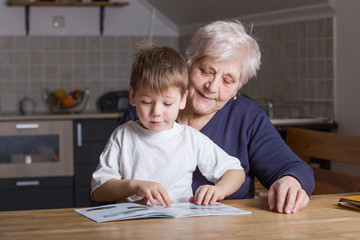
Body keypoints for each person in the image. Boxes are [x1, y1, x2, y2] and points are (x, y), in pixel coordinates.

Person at [119, 20, 315, 214]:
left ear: (238, 87)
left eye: (227, 81)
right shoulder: (147, 111)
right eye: (206, 71)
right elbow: (111, 183)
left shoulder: (247, 116)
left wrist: (290, 182)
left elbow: (293, 168)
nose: (212, 87)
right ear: (188, 64)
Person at [91, 42, 245, 207]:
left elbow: (235, 172)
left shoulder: (190, 138)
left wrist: (219, 190)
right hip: (134, 227)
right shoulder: (123, 136)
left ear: (183, 100)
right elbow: (99, 190)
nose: (156, 111)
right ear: (132, 96)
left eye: (167, 103)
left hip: (180, 226)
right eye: (146, 102)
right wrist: (134, 186)